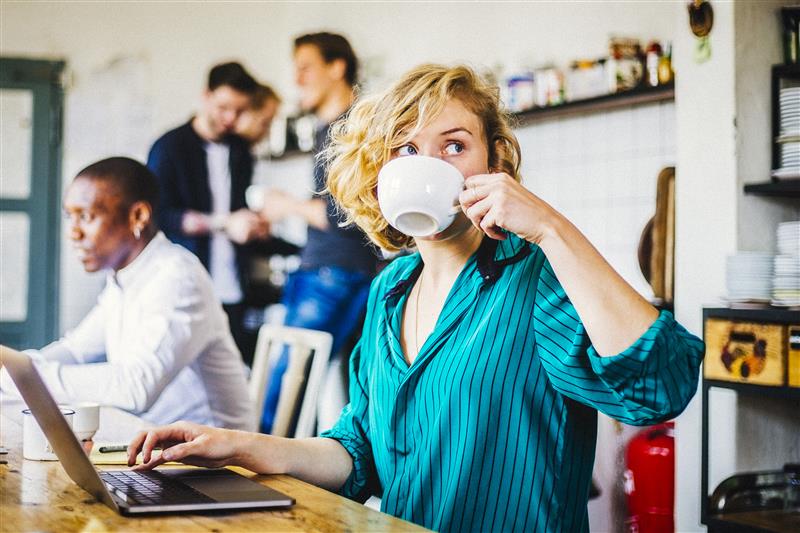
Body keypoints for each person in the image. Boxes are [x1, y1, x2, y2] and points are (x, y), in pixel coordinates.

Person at [126, 65, 704, 532]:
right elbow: (360, 453)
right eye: (406, 150)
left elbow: (659, 389)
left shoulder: (537, 277)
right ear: (379, 175)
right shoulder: (390, 290)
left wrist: (550, 226)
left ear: (494, 163)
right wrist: (236, 446)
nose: (427, 165)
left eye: (453, 146)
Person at [0, 157, 253, 430]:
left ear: (138, 216)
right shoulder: (125, 277)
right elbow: (76, 350)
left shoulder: (177, 277)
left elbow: (136, 387)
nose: (73, 233)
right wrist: (16, 369)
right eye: (69, 217)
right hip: (152, 440)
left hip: (216, 460)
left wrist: (24, 378)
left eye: (85, 216)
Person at [255, 32, 380, 434]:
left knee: (282, 400)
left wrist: (284, 206)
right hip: (336, 271)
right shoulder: (336, 129)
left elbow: (344, 214)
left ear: (337, 67)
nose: (297, 79)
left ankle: (261, 488)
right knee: (329, 389)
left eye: (306, 68)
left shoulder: (350, 129)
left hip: (334, 273)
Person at [147, 62, 294, 366]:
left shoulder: (240, 152)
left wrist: (255, 226)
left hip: (233, 291)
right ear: (206, 96)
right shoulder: (169, 147)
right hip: (183, 289)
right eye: (223, 107)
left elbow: (239, 211)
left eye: (239, 111)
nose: (230, 118)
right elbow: (159, 216)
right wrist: (226, 223)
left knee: (231, 381)